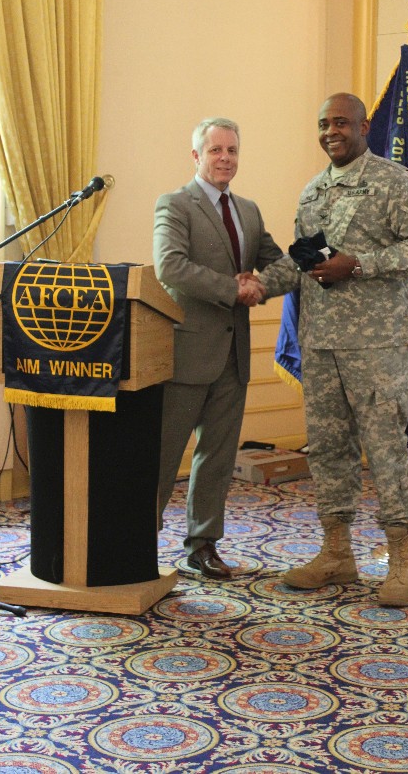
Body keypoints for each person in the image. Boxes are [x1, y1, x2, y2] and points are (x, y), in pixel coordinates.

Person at [254, 93, 408, 606]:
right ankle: (337, 552)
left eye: (340, 122)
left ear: (364, 126)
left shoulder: (392, 181)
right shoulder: (314, 191)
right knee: (328, 450)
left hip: (376, 342)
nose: (330, 131)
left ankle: (402, 558)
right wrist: (254, 286)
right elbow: (302, 260)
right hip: (320, 345)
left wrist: (359, 264)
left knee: (386, 449)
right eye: (323, 123)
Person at [153, 117, 279, 579]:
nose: (225, 158)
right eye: (215, 150)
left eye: (232, 151)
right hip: (186, 353)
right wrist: (234, 288)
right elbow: (171, 267)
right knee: (163, 455)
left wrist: (322, 260)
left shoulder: (248, 210)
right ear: (196, 156)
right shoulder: (175, 204)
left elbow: (277, 263)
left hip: (235, 355)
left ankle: (202, 545)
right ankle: (135, 542)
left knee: (218, 458)